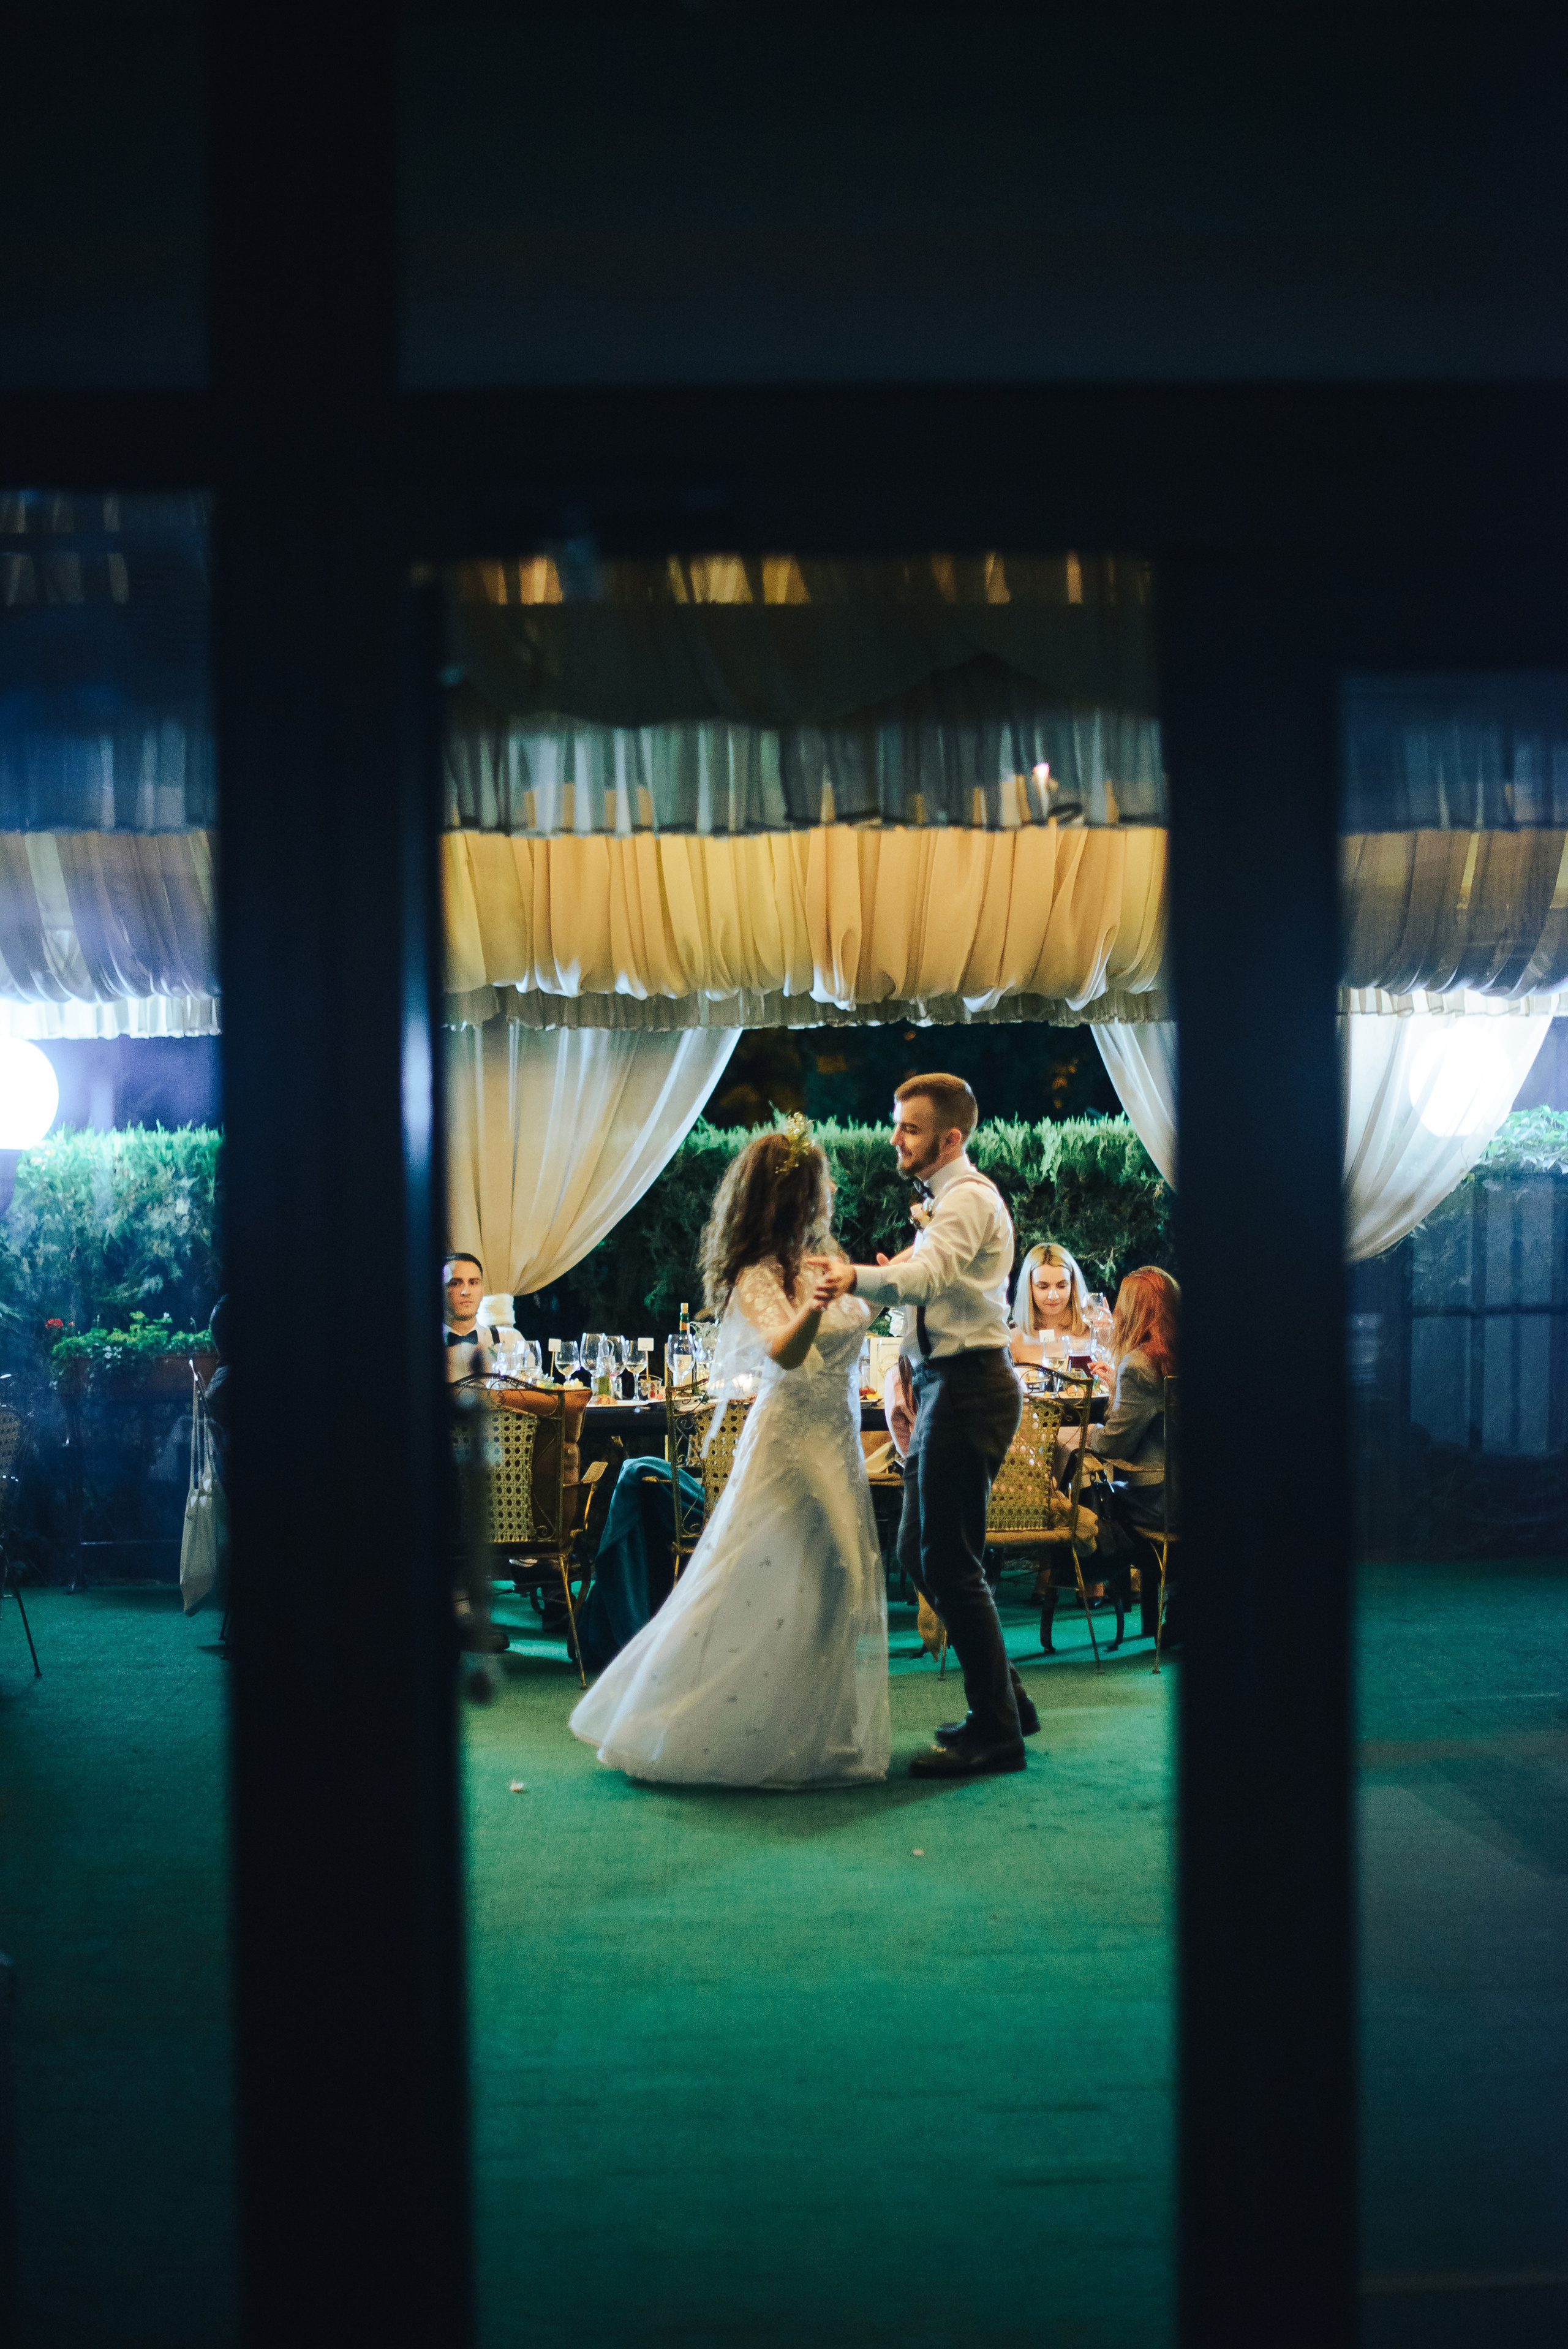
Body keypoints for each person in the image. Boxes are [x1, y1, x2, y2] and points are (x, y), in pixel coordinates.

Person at [570, 1118, 889, 1788]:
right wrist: (820, 1304)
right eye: (820, 1180)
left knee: (831, 1579)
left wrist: (874, 1288)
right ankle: (675, 1721)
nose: (831, 1188)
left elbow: (850, 1324)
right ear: (794, 1195)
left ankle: (811, 1731)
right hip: (789, 1439)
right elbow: (786, 1352)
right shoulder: (756, 1273)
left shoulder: (821, 1259)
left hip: (835, 1437)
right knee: (761, 1578)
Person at [810, 1074, 1037, 1781]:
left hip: (970, 1388)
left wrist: (853, 1278)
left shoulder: (967, 1201)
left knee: (947, 1560)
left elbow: (929, 1280)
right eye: (896, 1124)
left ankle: (997, 1733)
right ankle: (1010, 1703)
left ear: (950, 1138)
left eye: (908, 1128)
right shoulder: (947, 1205)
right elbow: (930, 1283)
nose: (894, 1138)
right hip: (949, 1384)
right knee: (920, 1549)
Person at [1058, 1265, 1178, 1643]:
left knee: (1083, 1477)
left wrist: (1083, 1431)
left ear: (1135, 1310)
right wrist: (1118, 1387)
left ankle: (1077, 1574)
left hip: (1160, 1501)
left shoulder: (1139, 1364)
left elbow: (1113, 1445)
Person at [1008, 1239, 1091, 1366]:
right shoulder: (1013, 1341)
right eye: (1043, 1287)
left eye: (1062, 1286)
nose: (1053, 1296)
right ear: (1029, 1288)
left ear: (1073, 1285)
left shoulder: (1093, 1333)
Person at [442, 1251, 495, 1382]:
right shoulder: (421, 1346)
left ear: (482, 1291)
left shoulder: (510, 1341)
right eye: (455, 1283)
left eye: (473, 1282)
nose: (466, 1292)